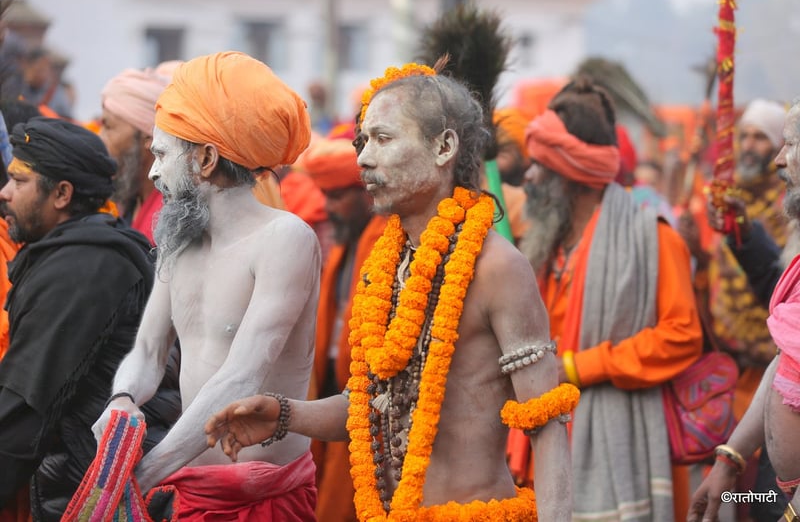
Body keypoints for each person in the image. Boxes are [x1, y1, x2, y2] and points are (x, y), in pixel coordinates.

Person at [205, 63, 573, 521]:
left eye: (383, 139)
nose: (362, 158)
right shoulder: (387, 265)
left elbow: (547, 423)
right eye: (363, 142)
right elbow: (374, 406)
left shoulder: (497, 267)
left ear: (444, 147)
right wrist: (283, 414)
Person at [92, 51, 318, 520]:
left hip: (265, 496)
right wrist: (123, 399)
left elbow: (241, 379)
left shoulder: (285, 238)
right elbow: (149, 352)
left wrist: (145, 474)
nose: (153, 173)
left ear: (206, 158)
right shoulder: (179, 243)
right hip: (192, 491)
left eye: (161, 155)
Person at [512, 77, 703, 521]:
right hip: (539, 444)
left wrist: (579, 367)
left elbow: (681, 336)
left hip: (613, 442)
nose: (529, 177)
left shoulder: (652, 237)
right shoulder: (541, 244)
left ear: (572, 174)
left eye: (540, 165)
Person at [0, 117, 179, 520]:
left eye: (19, 181)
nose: (5, 193)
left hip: (99, 486)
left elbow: (25, 405)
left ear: (61, 194)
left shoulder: (83, 268)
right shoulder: (81, 252)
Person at [688, 98, 800, 522]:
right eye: (746, 136)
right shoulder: (742, 211)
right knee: (749, 502)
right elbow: (788, 352)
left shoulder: (784, 213)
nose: (775, 160)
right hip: (740, 386)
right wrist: (730, 457)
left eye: (787, 145)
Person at [302, 136, 387, 522]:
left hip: (369, 408)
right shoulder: (343, 246)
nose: (328, 208)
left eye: (338, 196)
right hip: (333, 400)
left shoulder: (387, 244)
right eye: (325, 195)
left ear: (366, 192)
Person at [99, 65, 175, 245]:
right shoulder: (129, 203)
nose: (99, 139)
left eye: (108, 127)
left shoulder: (170, 219)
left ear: (149, 137)